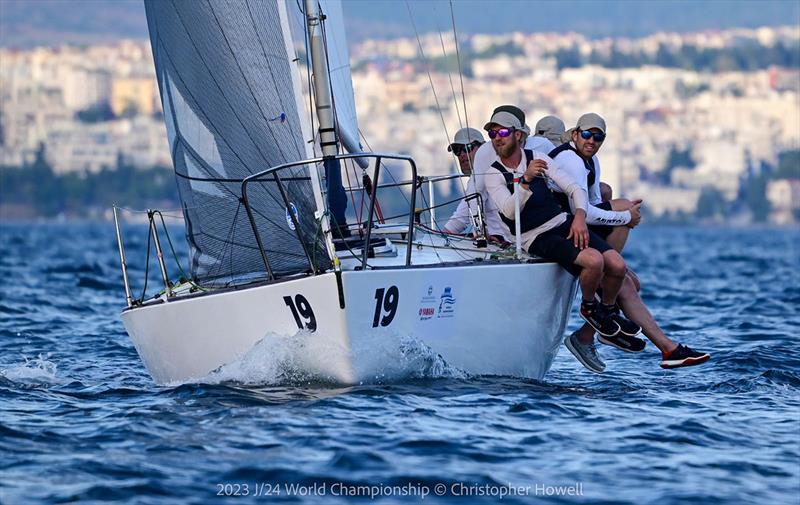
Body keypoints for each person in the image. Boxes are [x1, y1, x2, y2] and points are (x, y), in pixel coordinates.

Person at [473, 105, 638, 372]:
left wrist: (581, 217)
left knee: (617, 266)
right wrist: (524, 181)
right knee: (594, 261)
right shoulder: (494, 173)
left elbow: (572, 187)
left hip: (561, 222)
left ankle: (606, 311)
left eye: (502, 131)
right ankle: (589, 308)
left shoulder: (537, 156)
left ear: (518, 135)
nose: (497, 137)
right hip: (533, 236)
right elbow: (507, 209)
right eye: (492, 133)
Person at [551, 114, 710, 370]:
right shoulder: (570, 160)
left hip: (576, 226)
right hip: (564, 229)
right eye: (587, 135)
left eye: (598, 136)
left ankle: (590, 333)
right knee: (624, 278)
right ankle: (666, 347)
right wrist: (624, 215)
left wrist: (621, 215)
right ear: (575, 134)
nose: (592, 140)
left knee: (629, 280)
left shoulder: (590, 160)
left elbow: (591, 201)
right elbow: (583, 211)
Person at [442, 127, 511, 244]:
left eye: (467, 148)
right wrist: (437, 238)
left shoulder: (493, 172)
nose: (462, 155)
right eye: (457, 150)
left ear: (483, 147)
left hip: (509, 242)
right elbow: (460, 217)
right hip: (497, 242)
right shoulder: (475, 180)